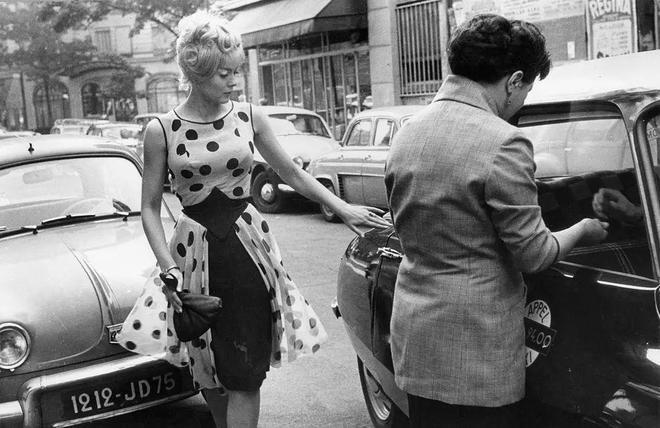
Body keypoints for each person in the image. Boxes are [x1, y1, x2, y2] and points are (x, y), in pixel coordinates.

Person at [121, 11, 390, 428]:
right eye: (224, 73)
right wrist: (168, 268)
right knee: (209, 365)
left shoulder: (249, 116)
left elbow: (292, 173)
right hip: (192, 259)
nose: (235, 81)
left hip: (248, 252)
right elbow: (150, 207)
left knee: (246, 372)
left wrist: (343, 208)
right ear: (196, 71)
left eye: (237, 71)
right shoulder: (161, 130)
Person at [384, 14, 609, 427]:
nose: (521, 102)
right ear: (514, 80)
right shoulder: (504, 142)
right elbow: (535, 254)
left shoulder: (406, 135)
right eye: (526, 90)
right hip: (478, 350)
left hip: (417, 338)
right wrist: (583, 228)